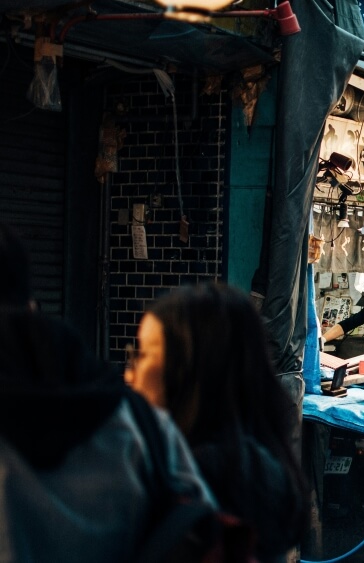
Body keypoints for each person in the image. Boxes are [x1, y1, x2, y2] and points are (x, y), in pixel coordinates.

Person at [0, 223, 215, 562]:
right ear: (29, 303)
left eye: (143, 355)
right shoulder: (144, 427)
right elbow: (204, 538)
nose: (130, 371)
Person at [127, 284, 308, 563]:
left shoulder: (199, 478)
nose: (130, 375)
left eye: (142, 355)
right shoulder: (256, 464)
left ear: (188, 368)